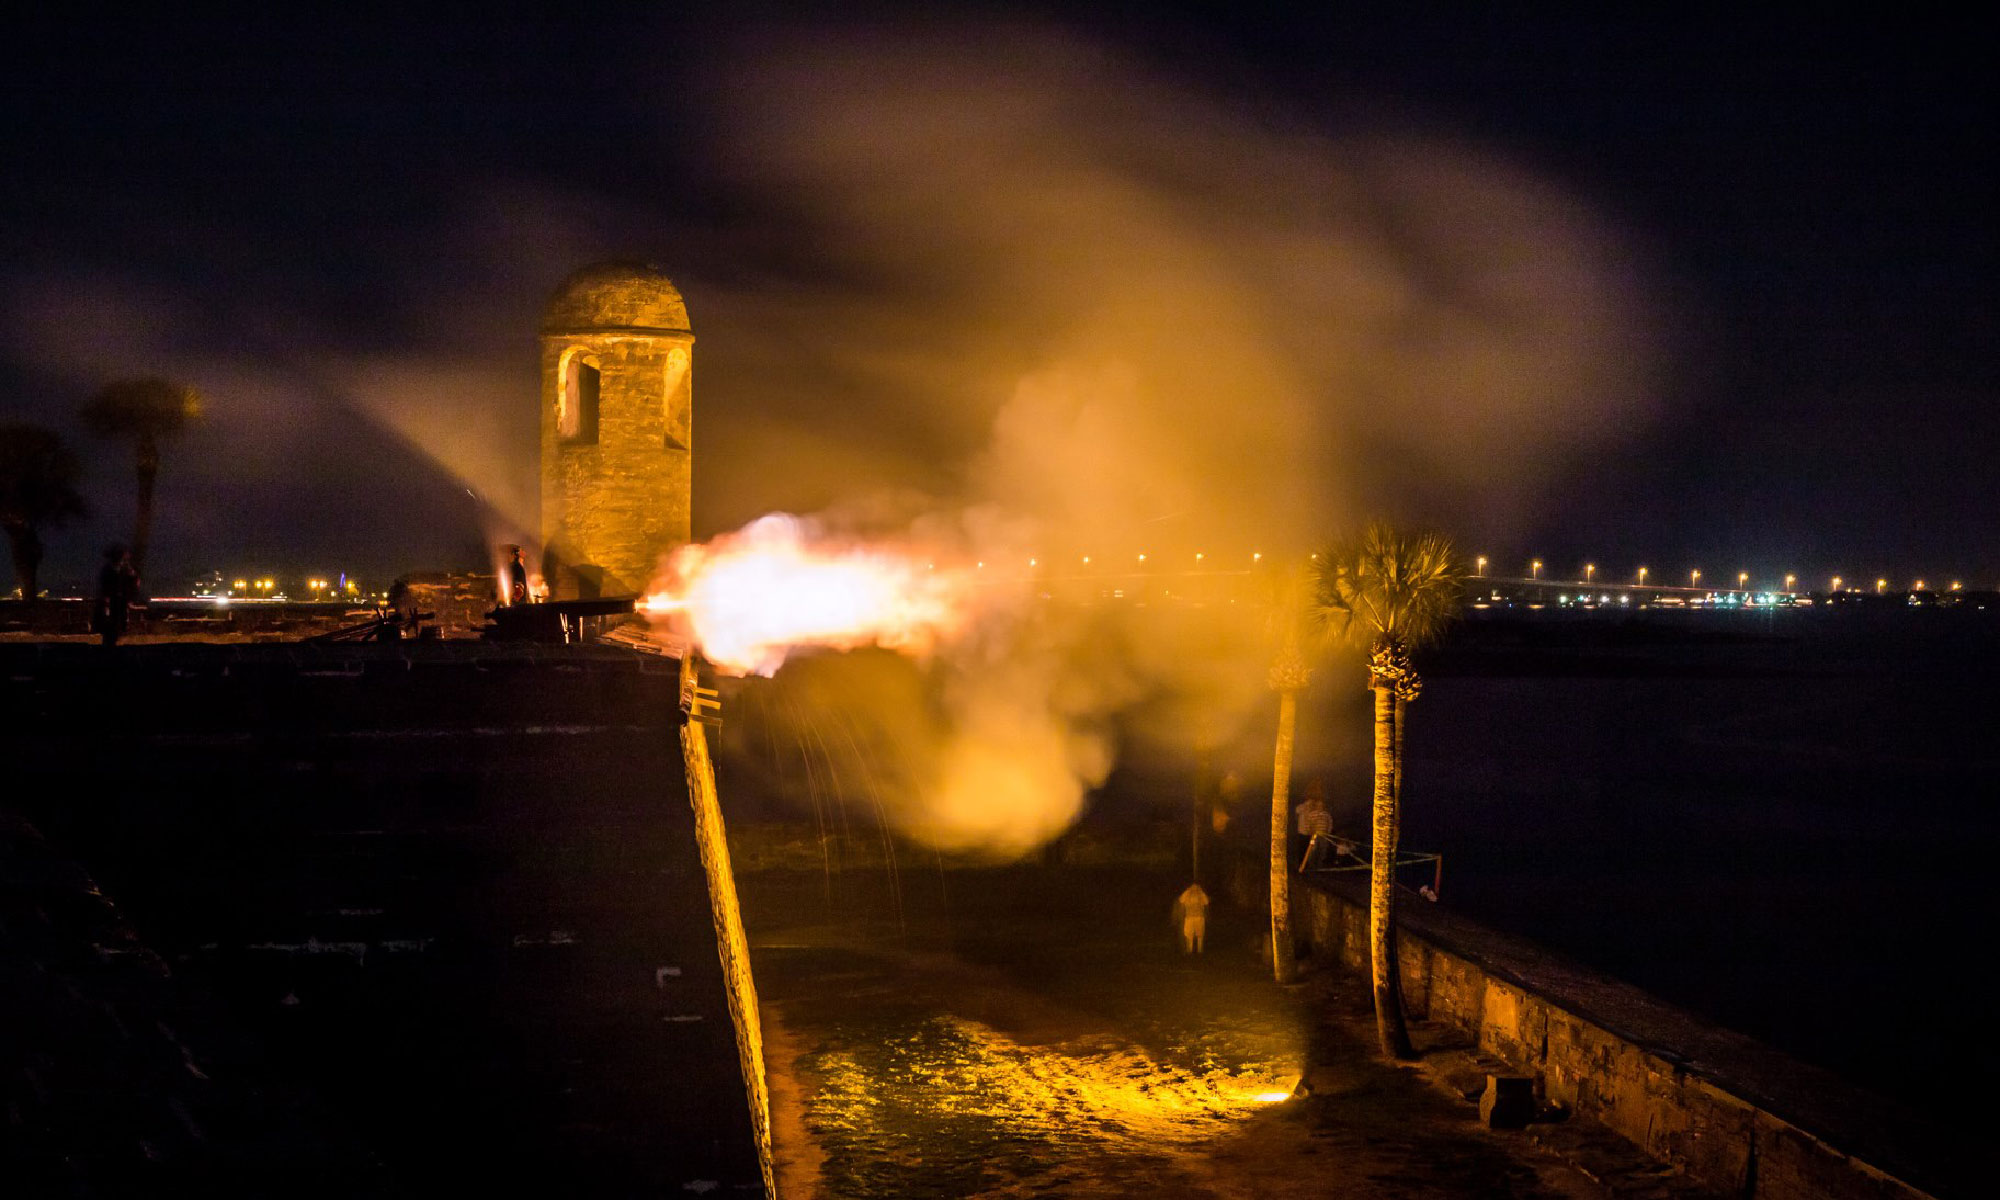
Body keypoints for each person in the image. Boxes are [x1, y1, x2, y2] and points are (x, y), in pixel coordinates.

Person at [91, 544, 140, 647]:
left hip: (118, 601)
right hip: (112, 601)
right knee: (110, 627)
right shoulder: (110, 570)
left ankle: (111, 645)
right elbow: (106, 586)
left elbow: (133, 581)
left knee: (115, 627)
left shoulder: (121, 569)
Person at [1293, 779, 1333, 869]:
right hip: (1305, 832)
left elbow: (1328, 821)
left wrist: (1327, 831)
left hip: (1318, 834)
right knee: (1306, 850)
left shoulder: (1323, 811)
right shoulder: (1304, 807)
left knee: (1318, 850)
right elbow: (1299, 812)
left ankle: (1315, 865)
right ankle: (1304, 866)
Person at [1173, 883, 1210, 955]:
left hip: (1196, 917)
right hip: (1193, 918)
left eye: (1196, 886)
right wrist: (1189, 891)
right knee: (1192, 935)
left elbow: (1206, 901)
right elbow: (1181, 900)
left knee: (1197, 935)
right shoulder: (1191, 894)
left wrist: (1199, 891)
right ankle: (1192, 952)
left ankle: (1197, 952)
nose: (1194, 888)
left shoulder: (1199, 894)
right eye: (1193, 886)